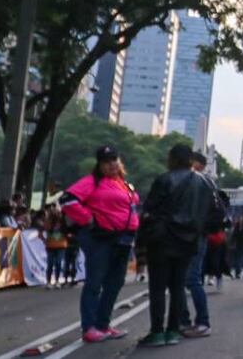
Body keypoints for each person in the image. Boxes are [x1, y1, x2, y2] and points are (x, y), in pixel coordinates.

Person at [59, 145, 140, 343]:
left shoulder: (123, 183)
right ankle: (89, 327)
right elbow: (67, 199)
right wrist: (88, 219)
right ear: (100, 164)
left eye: (114, 159)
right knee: (95, 282)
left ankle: (103, 324)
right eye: (107, 161)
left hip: (123, 239)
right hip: (101, 238)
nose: (112, 164)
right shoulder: (92, 182)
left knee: (115, 282)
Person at [137, 144, 214, 348]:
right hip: (189, 240)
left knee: (158, 287)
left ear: (172, 158)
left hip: (163, 239)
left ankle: (156, 332)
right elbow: (214, 212)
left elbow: (150, 208)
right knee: (178, 286)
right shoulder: (205, 182)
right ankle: (173, 330)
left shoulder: (164, 179)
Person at [177, 152, 225, 339]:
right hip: (197, 235)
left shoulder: (195, 182)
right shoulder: (207, 183)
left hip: (191, 235)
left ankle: (199, 321)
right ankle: (189, 321)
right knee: (186, 279)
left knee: (189, 279)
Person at [43, 203, 68, 289]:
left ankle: (57, 281)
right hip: (50, 246)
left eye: (58, 212)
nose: (57, 214)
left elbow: (69, 230)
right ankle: (48, 282)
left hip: (61, 245)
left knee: (58, 263)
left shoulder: (64, 222)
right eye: (55, 212)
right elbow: (43, 230)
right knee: (50, 264)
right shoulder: (49, 221)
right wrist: (45, 240)